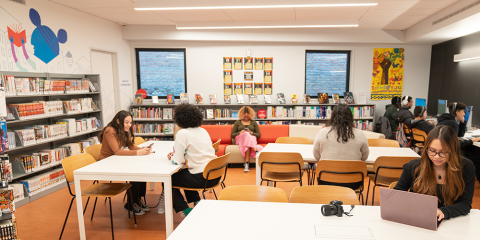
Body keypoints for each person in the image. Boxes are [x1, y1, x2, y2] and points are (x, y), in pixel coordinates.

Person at [394, 125, 475, 221]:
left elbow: (465, 203)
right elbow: (396, 196)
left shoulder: (466, 167)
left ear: (453, 151)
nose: (436, 157)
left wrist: (444, 211)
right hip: (417, 221)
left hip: (451, 223)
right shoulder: (413, 166)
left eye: (443, 152)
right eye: (432, 151)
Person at [159, 104, 220, 217]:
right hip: (214, 175)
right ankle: (197, 202)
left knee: (168, 179)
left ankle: (184, 209)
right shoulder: (203, 130)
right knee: (185, 174)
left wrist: (173, 156)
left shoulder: (182, 133)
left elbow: (177, 161)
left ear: (179, 119)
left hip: (201, 178)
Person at [99, 110, 152, 215]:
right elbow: (117, 151)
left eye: (130, 123)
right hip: (106, 162)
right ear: (118, 121)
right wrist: (138, 152)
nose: (129, 125)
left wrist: (143, 149)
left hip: (116, 160)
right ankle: (130, 204)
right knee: (135, 172)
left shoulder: (123, 129)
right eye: (126, 122)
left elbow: (130, 146)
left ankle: (136, 200)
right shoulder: (110, 130)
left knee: (141, 170)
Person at [313, 104, 369, 190]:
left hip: (326, 180)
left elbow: (316, 156)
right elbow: (364, 157)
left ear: (332, 116)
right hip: (353, 182)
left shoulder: (322, 132)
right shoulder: (360, 134)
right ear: (351, 117)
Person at [437, 102, 480, 183]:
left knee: (471, 150)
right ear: (457, 112)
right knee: (477, 157)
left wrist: (462, 122)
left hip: (441, 148)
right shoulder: (452, 123)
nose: (464, 114)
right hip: (447, 151)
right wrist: (472, 140)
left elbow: (460, 134)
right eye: (463, 112)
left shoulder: (446, 120)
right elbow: (455, 145)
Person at [231, 106, 263, 172]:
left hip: (250, 140)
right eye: (244, 116)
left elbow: (258, 135)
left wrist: (251, 132)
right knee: (246, 134)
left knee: (247, 136)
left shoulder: (253, 122)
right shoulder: (237, 122)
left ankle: (247, 164)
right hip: (240, 139)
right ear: (241, 115)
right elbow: (232, 135)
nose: (246, 118)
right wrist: (240, 132)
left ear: (250, 115)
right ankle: (255, 150)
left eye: (247, 116)